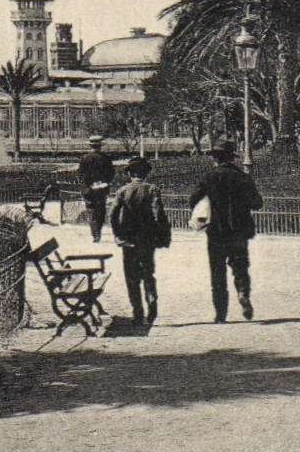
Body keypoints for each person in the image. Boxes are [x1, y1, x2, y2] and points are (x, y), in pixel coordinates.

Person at [188, 138, 264, 323]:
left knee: (217, 271)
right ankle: (243, 293)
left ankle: (221, 314)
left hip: (216, 231)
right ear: (232, 158)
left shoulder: (209, 177)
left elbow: (193, 199)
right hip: (239, 230)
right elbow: (257, 203)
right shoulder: (243, 177)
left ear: (215, 158)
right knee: (240, 267)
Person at [108, 156, 170, 327]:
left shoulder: (122, 191)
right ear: (146, 173)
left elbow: (112, 214)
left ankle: (137, 312)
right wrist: (162, 235)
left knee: (131, 277)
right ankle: (151, 301)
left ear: (129, 174)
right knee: (148, 273)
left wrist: (117, 234)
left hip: (128, 240)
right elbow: (158, 213)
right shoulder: (152, 189)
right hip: (147, 239)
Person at [77, 135, 115, 244]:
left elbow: (81, 174)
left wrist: (88, 184)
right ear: (100, 146)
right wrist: (104, 182)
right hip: (102, 189)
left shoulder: (84, 158)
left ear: (90, 146)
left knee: (91, 211)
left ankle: (95, 234)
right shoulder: (106, 158)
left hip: (89, 189)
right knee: (101, 210)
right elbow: (111, 173)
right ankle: (98, 231)